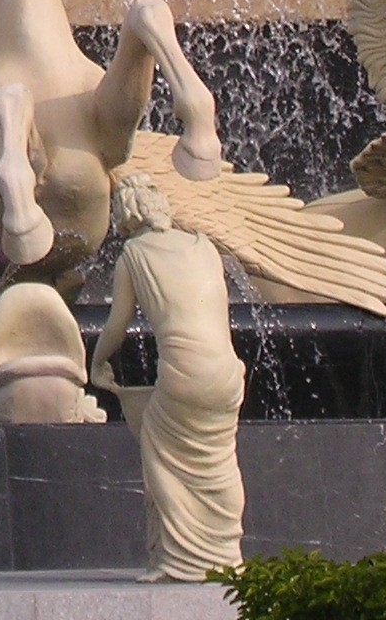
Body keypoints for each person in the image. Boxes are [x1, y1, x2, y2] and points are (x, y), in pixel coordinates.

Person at [90, 174, 246, 582]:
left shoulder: (134, 254)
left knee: (158, 444)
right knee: (218, 461)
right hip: (228, 372)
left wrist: (97, 362)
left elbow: (116, 325)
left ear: (126, 213)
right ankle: (226, 551)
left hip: (184, 371)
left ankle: (182, 560)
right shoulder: (204, 245)